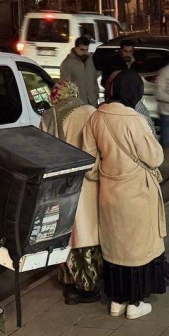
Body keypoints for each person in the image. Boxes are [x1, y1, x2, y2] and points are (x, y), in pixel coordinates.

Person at [81, 71, 169, 320]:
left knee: (116, 249)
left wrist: (105, 173)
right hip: (137, 193)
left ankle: (116, 301)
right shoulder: (135, 120)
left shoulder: (96, 117)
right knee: (137, 250)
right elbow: (155, 157)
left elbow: (88, 163)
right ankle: (135, 303)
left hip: (109, 193)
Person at [40, 80, 101, 304]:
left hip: (60, 186)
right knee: (87, 234)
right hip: (86, 182)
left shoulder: (48, 116)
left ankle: (69, 282)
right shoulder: (87, 111)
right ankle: (88, 287)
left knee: (66, 233)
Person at [59, 34, 101, 105]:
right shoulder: (67, 63)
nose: (84, 52)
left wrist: (96, 94)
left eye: (86, 49)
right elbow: (65, 85)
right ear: (75, 48)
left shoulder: (90, 60)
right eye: (82, 49)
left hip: (92, 100)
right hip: (78, 103)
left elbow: (94, 78)